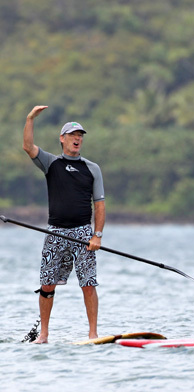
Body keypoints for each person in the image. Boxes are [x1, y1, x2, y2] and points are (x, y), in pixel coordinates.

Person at [23, 105, 106, 344]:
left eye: (80, 136)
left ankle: (93, 334)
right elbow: (28, 147)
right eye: (72, 135)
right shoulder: (51, 163)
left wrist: (97, 235)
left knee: (88, 284)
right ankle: (44, 334)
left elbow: (99, 204)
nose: (77, 139)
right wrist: (30, 119)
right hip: (55, 232)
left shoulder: (92, 169)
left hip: (83, 233)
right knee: (47, 284)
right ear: (62, 139)